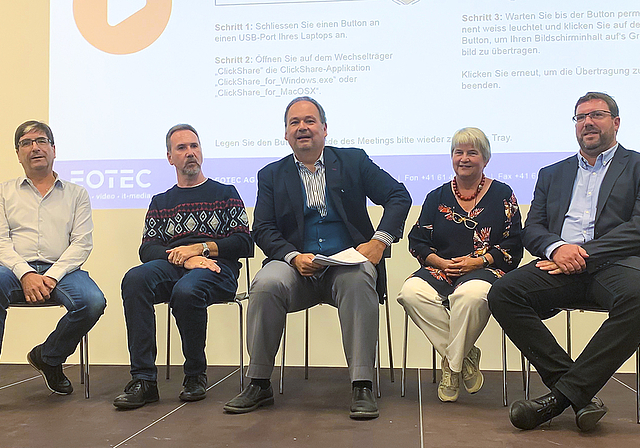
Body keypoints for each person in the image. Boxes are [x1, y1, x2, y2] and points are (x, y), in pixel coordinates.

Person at [223, 97, 411, 419]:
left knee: (358, 278)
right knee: (266, 284)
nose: (302, 128)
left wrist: (380, 241)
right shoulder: (271, 174)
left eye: (309, 121)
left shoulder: (353, 162)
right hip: (297, 267)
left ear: (324, 128)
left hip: (347, 263)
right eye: (294, 123)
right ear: (285, 134)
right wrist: (293, 257)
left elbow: (398, 196)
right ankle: (258, 382)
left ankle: (361, 384)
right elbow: (264, 229)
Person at [488, 92, 640, 432]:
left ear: (616, 123)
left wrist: (585, 253)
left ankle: (558, 399)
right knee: (503, 292)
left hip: (614, 265)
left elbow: (638, 227)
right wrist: (557, 248)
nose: (587, 122)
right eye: (580, 117)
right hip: (560, 264)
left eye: (597, 115)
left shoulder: (637, 166)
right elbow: (533, 229)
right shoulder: (552, 173)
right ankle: (578, 394)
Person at [113, 124, 252, 409]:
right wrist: (187, 258)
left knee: (188, 290)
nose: (190, 153)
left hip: (217, 269)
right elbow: (147, 249)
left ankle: (194, 375)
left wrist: (202, 249)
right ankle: (143, 380)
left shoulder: (225, 193)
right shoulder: (161, 201)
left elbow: (244, 242)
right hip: (175, 265)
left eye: (194, 146)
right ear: (170, 157)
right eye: (182, 148)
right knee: (135, 280)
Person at [397, 127, 522, 402]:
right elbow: (417, 240)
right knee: (410, 293)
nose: (464, 158)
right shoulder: (436, 196)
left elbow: (514, 243)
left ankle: (452, 367)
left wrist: (478, 260)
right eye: (458, 152)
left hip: (484, 269)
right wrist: (438, 261)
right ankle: (465, 357)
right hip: (441, 268)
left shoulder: (503, 194)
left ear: (485, 159)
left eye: (472, 152)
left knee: (470, 296)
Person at [0, 120, 106, 395]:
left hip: (62, 270)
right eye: (26, 143)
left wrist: (50, 277)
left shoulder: (76, 194)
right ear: (18, 153)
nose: (35, 148)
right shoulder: (3, 192)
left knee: (92, 302)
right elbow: (1, 242)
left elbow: (82, 244)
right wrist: (26, 273)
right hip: (12, 269)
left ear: (54, 149)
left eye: (41, 141)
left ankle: (49, 356)